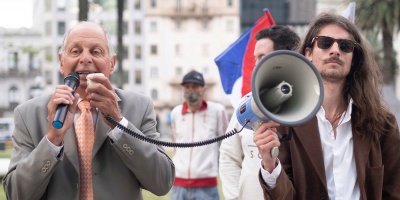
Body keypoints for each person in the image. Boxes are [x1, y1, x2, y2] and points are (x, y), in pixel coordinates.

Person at [2, 21, 175, 200]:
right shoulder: (28, 114)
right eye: (75, 51)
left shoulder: (140, 106)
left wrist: (119, 123)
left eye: (95, 51)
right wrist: (53, 139)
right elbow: (16, 195)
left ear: (112, 63)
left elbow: (161, 183)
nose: (85, 58)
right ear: (62, 62)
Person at [255, 12, 400, 199]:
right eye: (325, 42)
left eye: (345, 45)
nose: (335, 50)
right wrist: (270, 166)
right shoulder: (284, 121)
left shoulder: (382, 123)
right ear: (308, 54)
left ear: (354, 58)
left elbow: (393, 189)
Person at [218, 25, 300, 200]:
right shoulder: (247, 104)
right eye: (255, 59)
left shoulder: (306, 104)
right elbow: (228, 156)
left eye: (262, 58)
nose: (256, 66)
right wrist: (235, 197)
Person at [169, 70, 228, 200]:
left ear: (203, 89)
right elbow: (174, 144)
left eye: (195, 87)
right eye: (187, 87)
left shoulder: (217, 111)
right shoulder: (176, 113)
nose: (191, 91)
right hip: (178, 185)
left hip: (206, 186)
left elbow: (225, 146)